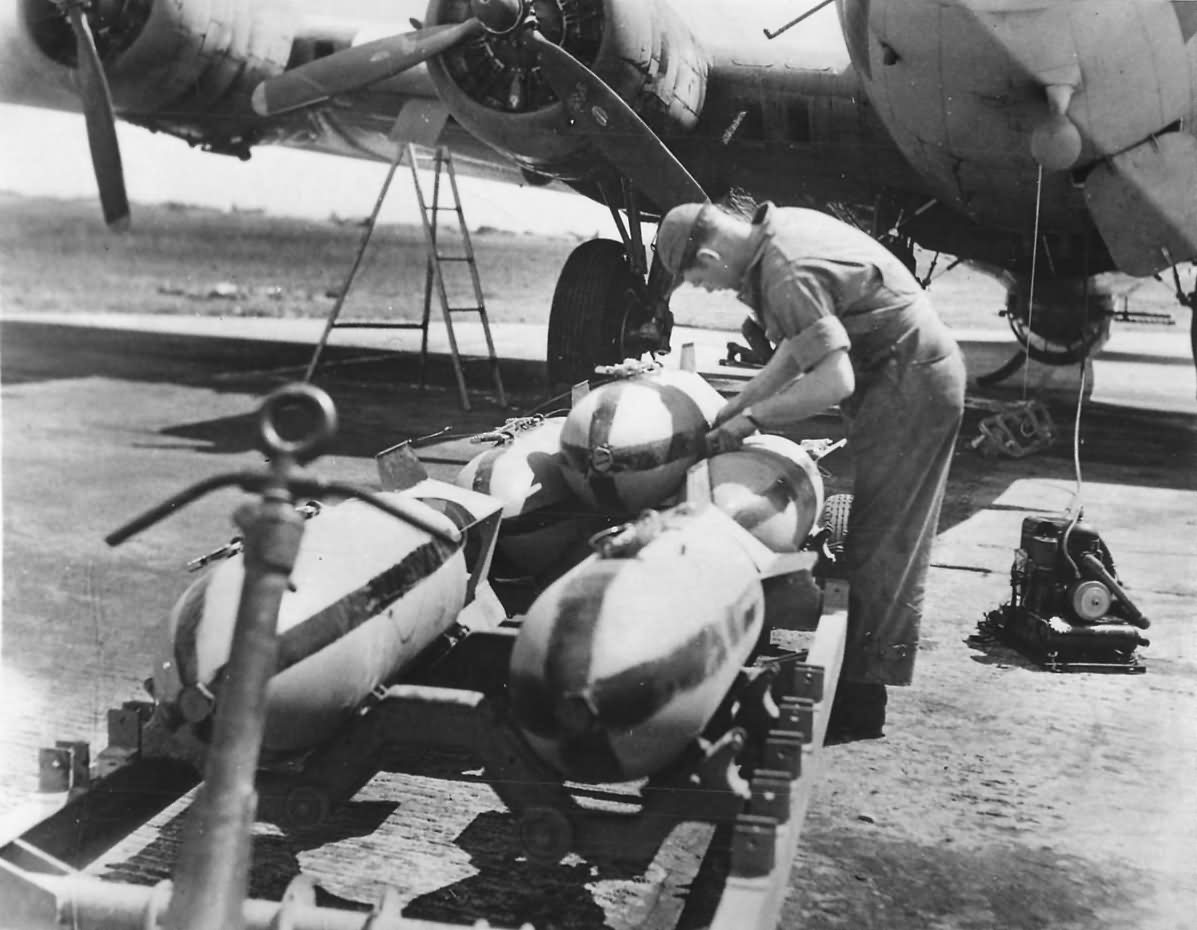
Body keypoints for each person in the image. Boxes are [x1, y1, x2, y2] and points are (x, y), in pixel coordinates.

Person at [655, 200, 966, 742]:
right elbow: (799, 351)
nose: (708, 290)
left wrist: (754, 417)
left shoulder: (785, 270)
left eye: (699, 279)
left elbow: (833, 380)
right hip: (903, 379)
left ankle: (860, 701)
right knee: (876, 536)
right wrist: (742, 403)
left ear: (708, 253)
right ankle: (859, 683)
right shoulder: (779, 239)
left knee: (881, 543)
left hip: (911, 386)